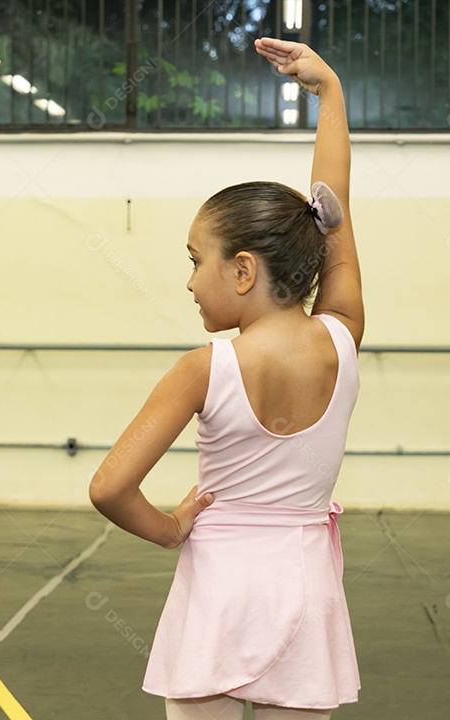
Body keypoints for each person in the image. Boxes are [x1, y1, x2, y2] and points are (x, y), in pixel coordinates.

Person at [89, 36, 364, 720]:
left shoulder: (203, 369)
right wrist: (329, 92)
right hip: (305, 592)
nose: (187, 281)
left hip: (219, 590)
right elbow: (336, 215)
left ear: (242, 271)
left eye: (194, 261)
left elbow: (110, 487)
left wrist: (170, 529)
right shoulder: (341, 338)